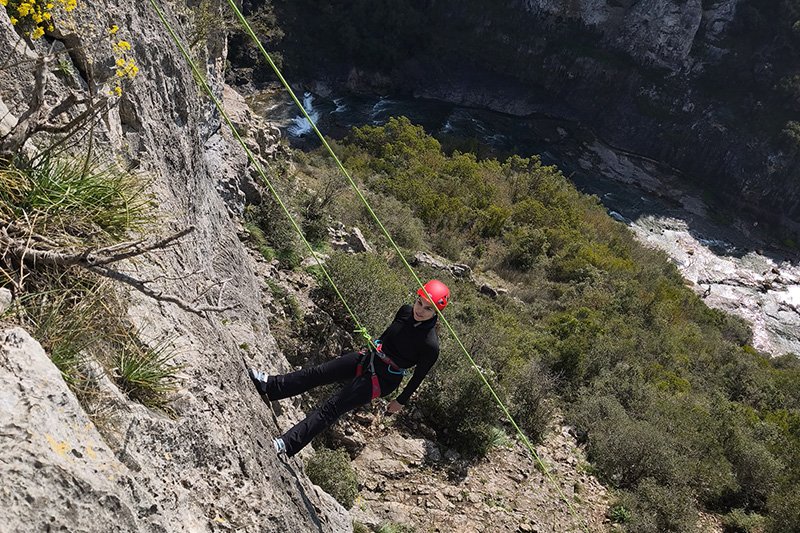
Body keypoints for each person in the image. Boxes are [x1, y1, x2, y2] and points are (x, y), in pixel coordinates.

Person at [247, 279, 450, 457]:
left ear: (437, 311)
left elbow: (418, 377)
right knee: (318, 373)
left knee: (333, 407)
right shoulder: (405, 311)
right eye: (419, 302)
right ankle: (270, 386)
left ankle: (286, 444)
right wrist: (374, 344)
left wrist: (400, 401)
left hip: (383, 379)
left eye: (427, 308)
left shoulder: (430, 345)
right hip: (370, 357)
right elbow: (389, 334)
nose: (419, 309)